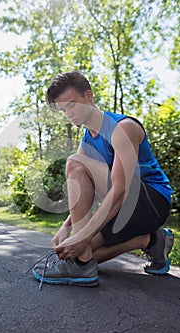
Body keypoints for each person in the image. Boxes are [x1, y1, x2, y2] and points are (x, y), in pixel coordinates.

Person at [32, 71, 174, 287]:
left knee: (74, 162)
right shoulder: (87, 141)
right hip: (125, 209)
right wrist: (66, 227)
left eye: (72, 105)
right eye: (63, 110)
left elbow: (120, 190)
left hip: (152, 202)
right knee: (85, 255)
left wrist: (81, 237)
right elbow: (85, 187)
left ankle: (81, 266)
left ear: (88, 96)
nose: (68, 114)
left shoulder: (122, 128)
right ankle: (151, 240)